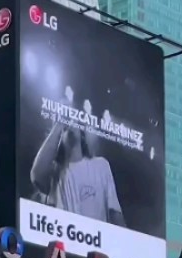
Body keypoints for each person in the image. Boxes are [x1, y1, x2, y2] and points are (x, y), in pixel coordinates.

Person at [29, 94, 124, 225]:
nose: (69, 119)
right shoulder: (55, 173)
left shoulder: (101, 165)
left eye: (72, 115)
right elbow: (36, 175)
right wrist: (59, 123)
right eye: (66, 115)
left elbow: (116, 215)